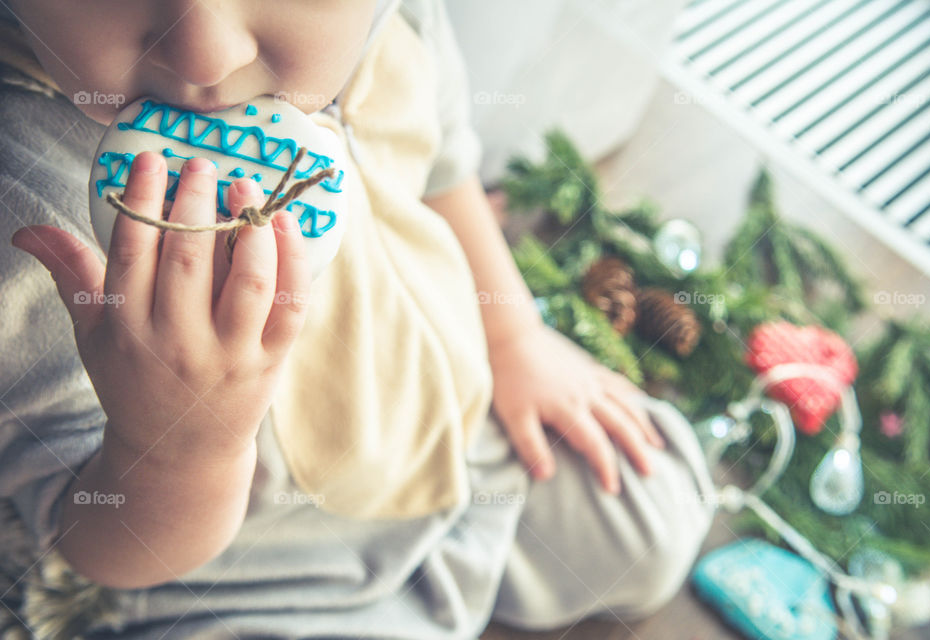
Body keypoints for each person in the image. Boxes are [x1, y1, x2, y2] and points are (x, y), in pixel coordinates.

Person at [0, 0, 715, 638]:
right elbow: (87, 540)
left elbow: (442, 167)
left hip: (459, 433)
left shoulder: (388, 21)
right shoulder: (27, 211)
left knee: (654, 515)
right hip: (269, 572)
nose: (206, 52)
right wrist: (179, 449)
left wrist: (513, 337)